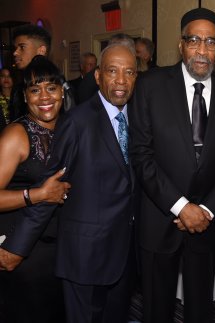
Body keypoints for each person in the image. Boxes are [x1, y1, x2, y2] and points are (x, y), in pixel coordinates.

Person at [0, 43, 139, 323]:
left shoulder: (139, 116)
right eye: (112, 71)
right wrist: (17, 247)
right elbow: (53, 187)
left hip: (119, 249)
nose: (121, 79)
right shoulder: (76, 123)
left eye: (130, 72)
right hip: (76, 250)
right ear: (98, 76)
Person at [129, 7, 215, 323]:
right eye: (194, 40)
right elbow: (142, 155)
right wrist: (182, 207)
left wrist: (206, 210)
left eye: (210, 42)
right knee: (156, 309)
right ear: (181, 45)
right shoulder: (149, 86)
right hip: (159, 219)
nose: (202, 50)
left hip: (206, 224)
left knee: (200, 309)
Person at [0, 56, 71, 322]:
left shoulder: (69, 127)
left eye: (51, 88)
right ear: (26, 96)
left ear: (61, 93)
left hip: (60, 247)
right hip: (22, 249)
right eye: (34, 89)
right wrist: (38, 194)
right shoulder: (16, 135)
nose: (44, 96)